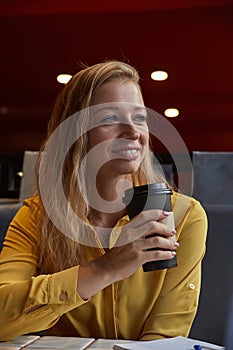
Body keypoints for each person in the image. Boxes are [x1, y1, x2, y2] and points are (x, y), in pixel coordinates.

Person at [0, 60, 207, 341]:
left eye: (140, 118)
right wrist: (105, 269)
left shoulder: (185, 216)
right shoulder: (37, 216)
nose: (134, 133)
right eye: (110, 119)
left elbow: (165, 337)